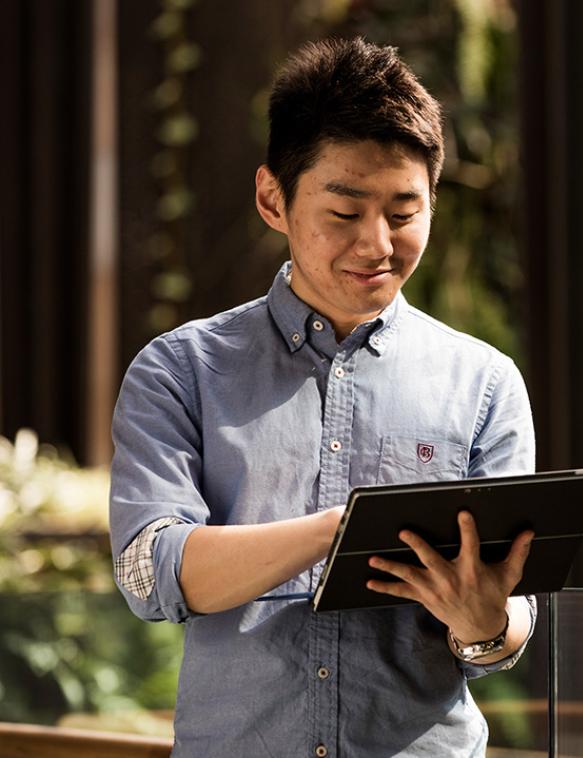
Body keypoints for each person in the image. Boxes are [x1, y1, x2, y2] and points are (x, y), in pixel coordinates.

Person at [109, 38, 537, 757]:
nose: (377, 245)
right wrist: (345, 531)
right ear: (273, 198)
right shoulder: (181, 370)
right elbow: (151, 572)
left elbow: (507, 630)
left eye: (403, 214)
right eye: (345, 213)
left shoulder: (485, 382)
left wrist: (485, 624)